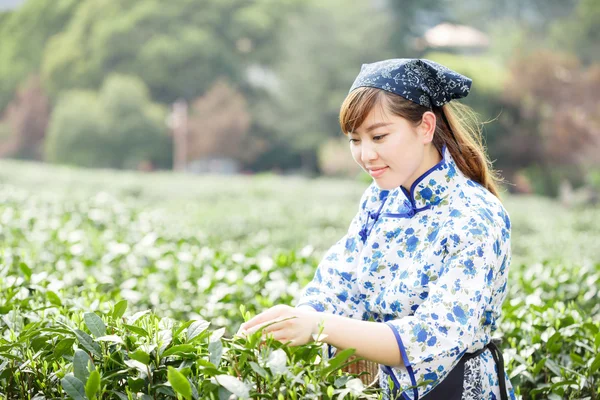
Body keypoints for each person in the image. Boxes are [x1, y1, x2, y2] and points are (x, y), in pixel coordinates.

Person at [238, 58, 515, 400]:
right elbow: (341, 278)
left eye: (379, 136)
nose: (366, 154)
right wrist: (301, 316)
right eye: (355, 140)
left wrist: (318, 327)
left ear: (426, 127)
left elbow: (436, 335)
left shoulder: (475, 214)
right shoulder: (380, 200)